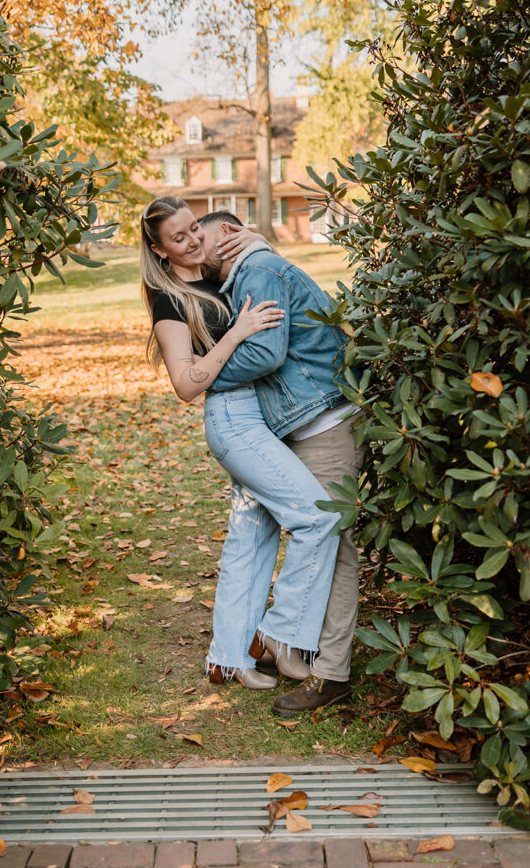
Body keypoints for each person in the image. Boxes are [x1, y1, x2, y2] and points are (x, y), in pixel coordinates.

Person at [140, 197, 344, 690]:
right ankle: (277, 633)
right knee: (318, 517)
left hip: (262, 414)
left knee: (251, 539)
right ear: (159, 249)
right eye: (179, 238)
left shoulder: (215, 275)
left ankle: (229, 658)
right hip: (233, 419)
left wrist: (258, 242)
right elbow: (186, 385)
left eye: (194, 229)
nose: (193, 242)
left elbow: (264, 276)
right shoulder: (170, 301)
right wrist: (236, 335)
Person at [199, 210, 363, 715]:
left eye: (198, 237)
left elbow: (265, 356)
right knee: (308, 535)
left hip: (324, 422)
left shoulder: (259, 269)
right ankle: (291, 644)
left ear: (229, 233)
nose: (191, 247)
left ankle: (329, 673)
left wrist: (197, 376)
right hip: (295, 422)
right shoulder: (247, 273)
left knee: (335, 545)